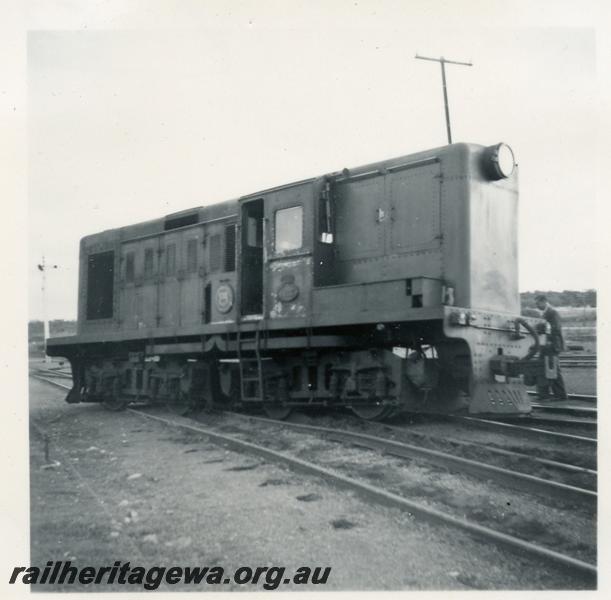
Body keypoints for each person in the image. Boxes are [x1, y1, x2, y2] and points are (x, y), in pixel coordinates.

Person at [534, 294, 568, 400]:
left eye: (538, 303)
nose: (537, 306)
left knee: (553, 369)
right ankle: (544, 394)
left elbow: (556, 329)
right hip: (547, 345)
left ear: (544, 301)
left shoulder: (552, 313)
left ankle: (560, 395)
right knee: (543, 368)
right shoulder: (546, 313)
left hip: (551, 345)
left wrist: (546, 335)